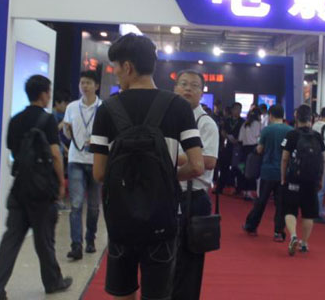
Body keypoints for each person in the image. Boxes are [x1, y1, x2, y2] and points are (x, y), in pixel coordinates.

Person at [91, 34, 205, 300]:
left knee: (123, 292)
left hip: (121, 219)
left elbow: (99, 173)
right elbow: (197, 166)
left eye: (116, 67)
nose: (116, 72)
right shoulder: (178, 106)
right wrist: (168, 176)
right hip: (162, 219)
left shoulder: (107, 109)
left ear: (128, 67)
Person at [0, 75, 72, 300]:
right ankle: (53, 282)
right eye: (49, 92)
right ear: (43, 94)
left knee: (11, 241)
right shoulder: (47, 120)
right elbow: (55, 154)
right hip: (42, 190)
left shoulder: (15, 120)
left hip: (20, 188)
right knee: (44, 240)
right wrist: (60, 183)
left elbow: (14, 151)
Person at [171, 70, 220, 300]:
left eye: (193, 85)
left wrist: (171, 156)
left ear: (201, 93)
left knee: (189, 263)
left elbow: (208, 161)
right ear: (175, 88)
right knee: (165, 257)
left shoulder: (205, 123)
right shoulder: (167, 119)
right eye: (183, 84)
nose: (187, 89)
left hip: (193, 198)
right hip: (168, 195)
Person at [61, 70, 103, 260]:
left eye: (88, 83)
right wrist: (67, 131)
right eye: (82, 83)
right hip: (75, 158)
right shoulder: (71, 107)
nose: (84, 86)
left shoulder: (103, 108)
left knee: (93, 206)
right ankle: (76, 245)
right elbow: (68, 135)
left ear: (96, 86)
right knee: (76, 204)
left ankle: (90, 239)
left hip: (96, 160)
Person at [280, 105, 325, 255]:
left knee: (290, 210)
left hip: (294, 179)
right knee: (308, 213)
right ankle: (304, 243)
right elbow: (324, 160)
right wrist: (321, 179)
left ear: (296, 118)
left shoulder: (291, 135)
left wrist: (283, 177)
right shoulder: (318, 136)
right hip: (311, 180)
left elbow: (284, 158)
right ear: (311, 119)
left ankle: (293, 236)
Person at [243, 104, 291, 241]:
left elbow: (259, 149)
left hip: (267, 171)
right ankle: (278, 232)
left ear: (270, 115)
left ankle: (251, 226)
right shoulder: (290, 130)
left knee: (261, 201)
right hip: (283, 172)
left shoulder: (267, 130)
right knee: (281, 204)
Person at [237, 108, 263, 199]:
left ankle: (245, 191)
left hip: (244, 149)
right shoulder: (258, 124)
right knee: (253, 171)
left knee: (245, 170)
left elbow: (240, 139)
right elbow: (259, 136)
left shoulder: (244, 124)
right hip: (254, 149)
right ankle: (250, 191)